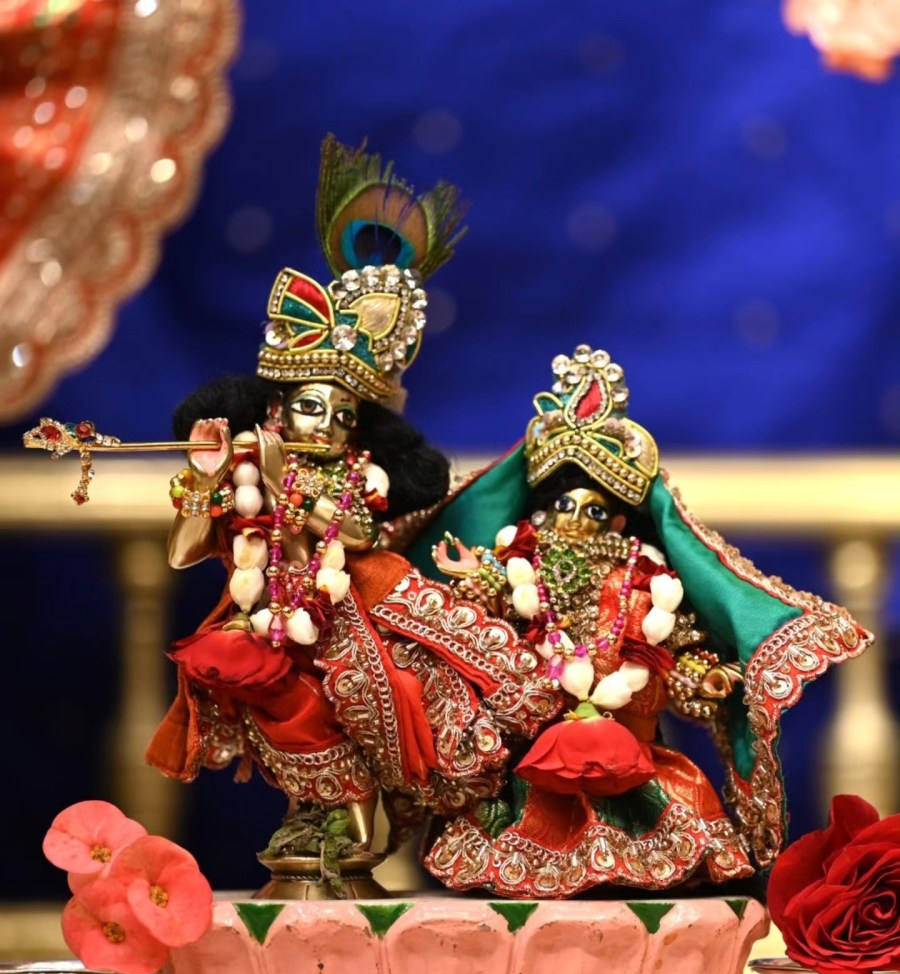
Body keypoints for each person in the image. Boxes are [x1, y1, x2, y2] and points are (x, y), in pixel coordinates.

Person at [146, 137, 560, 888]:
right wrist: (209, 478)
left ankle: (359, 823)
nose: (328, 426)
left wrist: (295, 495)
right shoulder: (247, 470)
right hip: (267, 616)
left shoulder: (352, 475)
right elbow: (183, 552)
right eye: (312, 408)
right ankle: (316, 817)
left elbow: (360, 534)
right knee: (278, 710)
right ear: (278, 408)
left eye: (343, 416)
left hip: (355, 606)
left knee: (374, 709)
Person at [417, 344, 871, 897]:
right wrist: (475, 579)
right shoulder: (519, 573)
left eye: (593, 510)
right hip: (534, 762)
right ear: (541, 512)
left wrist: (705, 676)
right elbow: (483, 628)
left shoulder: (641, 584)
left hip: (629, 756)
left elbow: (675, 653)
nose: (576, 520)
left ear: (618, 522)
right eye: (565, 506)